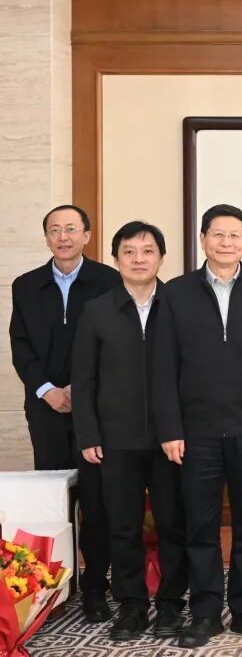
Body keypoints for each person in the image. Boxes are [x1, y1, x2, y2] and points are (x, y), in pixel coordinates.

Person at [153, 204, 242, 649]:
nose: (226, 242)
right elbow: (162, 367)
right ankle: (206, 612)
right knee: (201, 525)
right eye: (218, 234)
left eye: (235, 235)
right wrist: (170, 429)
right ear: (203, 239)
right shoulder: (176, 293)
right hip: (196, 432)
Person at [71, 221, 186, 640]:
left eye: (148, 251)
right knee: (122, 525)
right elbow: (83, 378)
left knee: (173, 523)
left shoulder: (178, 305)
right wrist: (88, 434)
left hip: (171, 438)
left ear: (161, 257)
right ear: (116, 259)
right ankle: (132, 605)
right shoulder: (97, 310)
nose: (139, 259)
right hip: (116, 439)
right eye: (129, 252)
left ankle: (171, 604)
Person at [9, 204, 120, 622]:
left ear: (87, 235)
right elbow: (21, 346)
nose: (63, 236)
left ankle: (94, 584)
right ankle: (55, 584)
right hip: (46, 408)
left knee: (97, 498)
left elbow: (116, 343)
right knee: (52, 499)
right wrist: (48, 391)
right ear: (46, 238)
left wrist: (81, 389)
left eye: (71, 228)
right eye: (55, 230)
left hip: (97, 410)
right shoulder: (26, 285)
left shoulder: (108, 281)